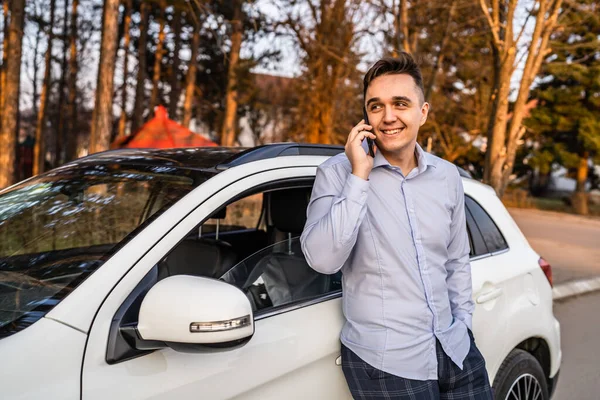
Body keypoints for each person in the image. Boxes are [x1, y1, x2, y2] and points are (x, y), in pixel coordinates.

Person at [300, 53, 494, 399]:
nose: (388, 117)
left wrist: (463, 322)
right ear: (366, 116)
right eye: (376, 107)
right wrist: (359, 175)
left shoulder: (447, 175)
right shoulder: (336, 173)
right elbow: (322, 260)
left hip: (455, 347)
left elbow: (456, 260)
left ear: (423, 111)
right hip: (385, 362)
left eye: (400, 104)